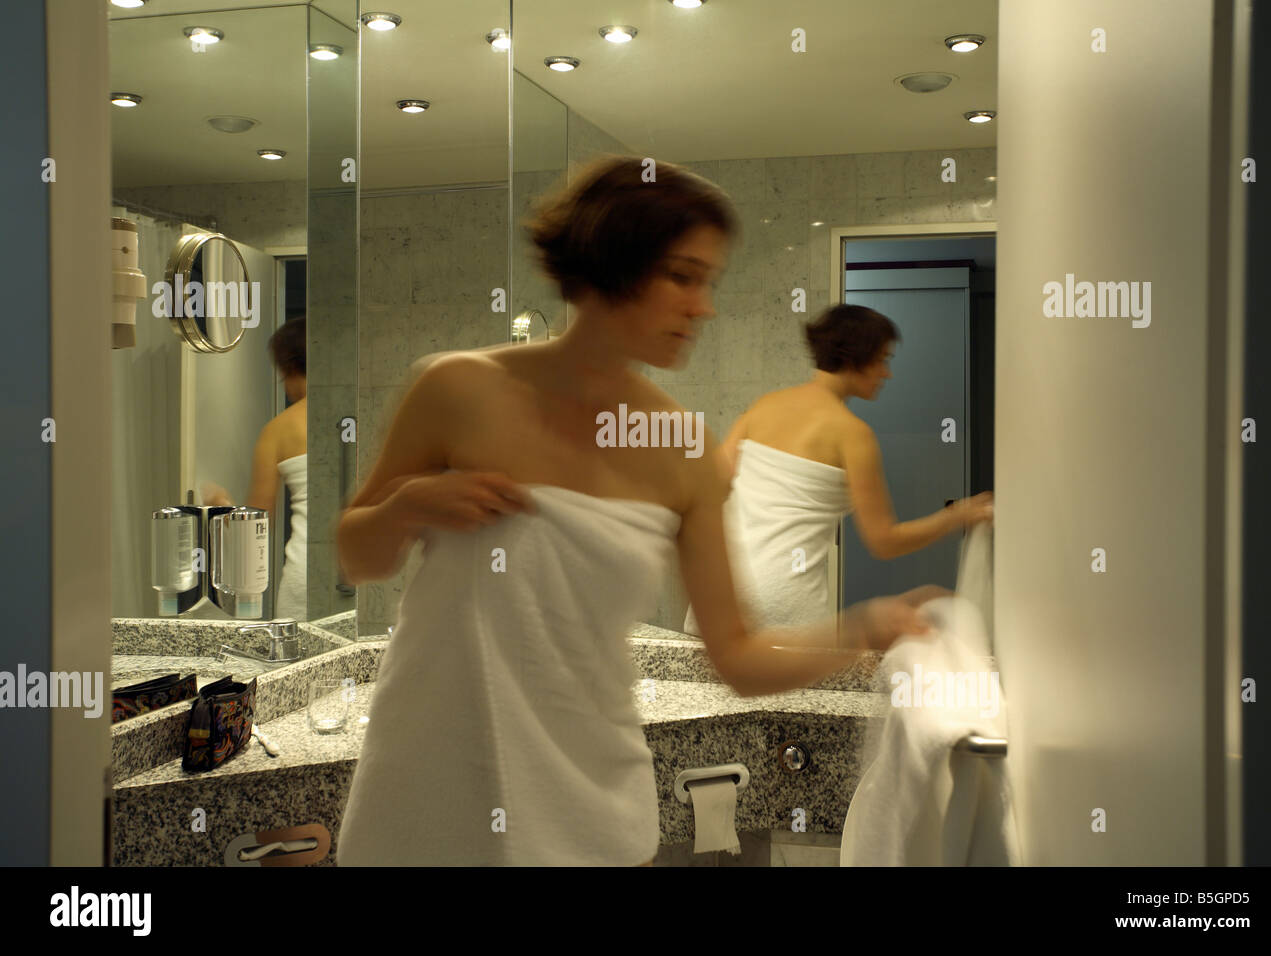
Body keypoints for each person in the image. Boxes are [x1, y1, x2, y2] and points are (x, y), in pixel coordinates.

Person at [333, 156, 939, 867]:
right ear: (610, 263)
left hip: (586, 805)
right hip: (427, 792)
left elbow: (737, 656)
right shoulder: (458, 389)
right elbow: (357, 558)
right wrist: (408, 506)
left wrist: (864, 628)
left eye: (708, 282)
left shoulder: (681, 446)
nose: (703, 306)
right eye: (682, 277)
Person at [683, 304, 993, 635]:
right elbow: (884, 541)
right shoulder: (853, 434)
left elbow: (708, 488)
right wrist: (957, 515)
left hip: (719, 593)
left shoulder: (763, 407)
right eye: (883, 360)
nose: (887, 373)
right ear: (856, 355)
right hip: (785, 601)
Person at [202, 316, 308, 621]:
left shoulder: (277, 431)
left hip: (301, 581)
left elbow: (254, 531)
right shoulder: (356, 415)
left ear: (289, 368)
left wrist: (222, 507)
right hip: (355, 576)